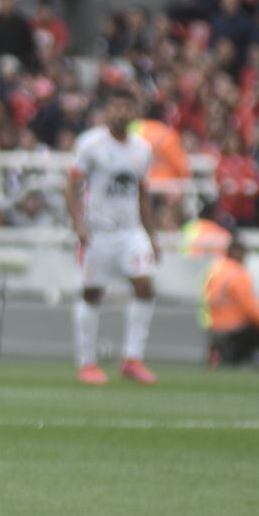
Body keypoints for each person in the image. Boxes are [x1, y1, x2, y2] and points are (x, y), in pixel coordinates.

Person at [66, 87, 159, 386]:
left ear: (135, 112)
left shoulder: (142, 149)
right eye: (116, 105)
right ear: (107, 110)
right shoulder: (91, 144)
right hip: (99, 233)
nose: (121, 111)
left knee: (145, 285)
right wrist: (79, 224)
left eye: (127, 106)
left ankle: (132, 358)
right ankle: (87, 362)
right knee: (93, 292)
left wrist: (151, 234)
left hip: (130, 231)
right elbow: (72, 187)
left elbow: (143, 193)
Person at [202, 240, 259, 368]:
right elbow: (249, 306)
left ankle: (219, 352)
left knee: (241, 348)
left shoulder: (214, 270)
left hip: (215, 326)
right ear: (238, 253)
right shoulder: (238, 274)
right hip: (236, 327)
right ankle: (228, 356)